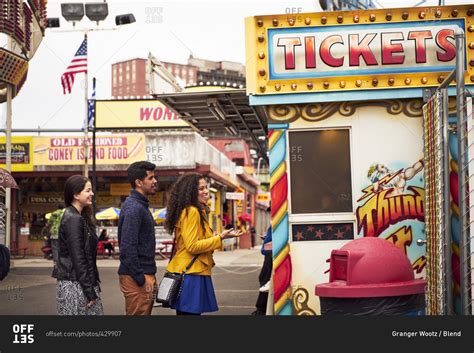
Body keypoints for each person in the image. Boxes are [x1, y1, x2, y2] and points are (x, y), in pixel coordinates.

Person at [164, 173, 243, 315]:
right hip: (191, 273)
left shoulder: (195, 211)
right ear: (191, 191)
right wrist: (219, 238)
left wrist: (221, 237)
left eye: (206, 187)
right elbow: (193, 246)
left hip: (192, 271)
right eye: (201, 188)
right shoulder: (192, 211)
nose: (206, 191)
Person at [53, 175, 103, 315]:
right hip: (75, 285)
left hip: (81, 283)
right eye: (88, 190)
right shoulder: (73, 219)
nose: (92, 193)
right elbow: (78, 258)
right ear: (76, 194)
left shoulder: (80, 217)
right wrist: (89, 291)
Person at [118, 161, 158, 315]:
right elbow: (127, 248)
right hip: (136, 277)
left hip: (143, 274)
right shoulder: (134, 208)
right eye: (151, 178)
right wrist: (141, 278)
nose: (155, 181)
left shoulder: (139, 205)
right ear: (139, 183)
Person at [252, 224, 272, 315]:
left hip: (270, 255)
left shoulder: (275, 223)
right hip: (270, 253)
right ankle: (263, 308)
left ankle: (261, 309)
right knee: (265, 280)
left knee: (265, 280)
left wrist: (266, 244)